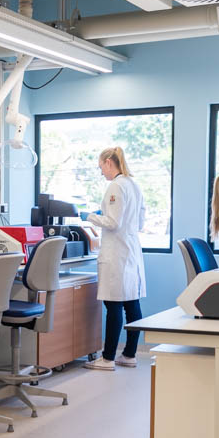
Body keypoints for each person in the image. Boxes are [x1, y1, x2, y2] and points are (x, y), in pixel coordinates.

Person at [83, 147, 146, 372]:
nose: (101, 172)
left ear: (109, 162)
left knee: (114, 304)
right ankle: (129, 354)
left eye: (101, 167)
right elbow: (139, 222)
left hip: (116, 253)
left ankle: (108, 358)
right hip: (130, 250)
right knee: (131, 303)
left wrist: (89, 217)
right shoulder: (134, 185)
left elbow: (113, 222)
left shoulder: (116, 186)